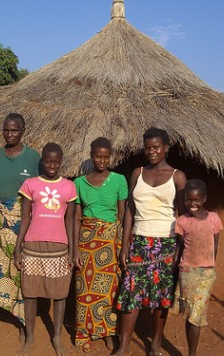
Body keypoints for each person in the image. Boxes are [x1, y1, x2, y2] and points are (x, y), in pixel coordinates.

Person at [113, 127, 187, 356]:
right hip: (139, 241)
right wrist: (125, 245)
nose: (152, 151)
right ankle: (124, 346)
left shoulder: (178, 176)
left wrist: (179, 251)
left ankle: (155, 343)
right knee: (131, 292)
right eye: (148, 148)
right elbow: (129, 212)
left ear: (166, 148)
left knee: (161, 295)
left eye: (156, 147)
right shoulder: (137, 173)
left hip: (166, 243)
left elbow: (183, 216)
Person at [14, 143, 77, 356]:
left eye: (56, 162)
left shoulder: (69, 186)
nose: (52, 165)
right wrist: (18, 247)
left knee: (59, 293)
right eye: (48, 161)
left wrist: (71, 250)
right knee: (30, 292)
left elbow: (70, 220)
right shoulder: (30, 184)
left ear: (61, 162)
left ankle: (57, 336)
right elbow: (25, 218)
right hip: (33, 245)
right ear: (43, 161)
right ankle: (30, 337)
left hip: (59, 247)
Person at [0, 113, 40, 332]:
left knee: (21, 270)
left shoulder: (33, 158)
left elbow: (39, 195)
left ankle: (23, 322)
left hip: (23, 223)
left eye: (14, 130)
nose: (9, 134)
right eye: (6, 130)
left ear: (23, 130)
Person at [73, 137, 128, 352]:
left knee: (109, 289)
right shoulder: (79, 183)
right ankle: (83, 331)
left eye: (106, 157)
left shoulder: (119, 180)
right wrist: (76, 247)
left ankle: (107, 331)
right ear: (91, 154)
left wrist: (119, 240)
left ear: (110, 156)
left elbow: (122, 212)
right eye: (98, 156)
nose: (102, 160)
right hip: (86, 241)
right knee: (83, 288)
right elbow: (77, 216)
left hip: (109, 240)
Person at [171, 179, 223, 356]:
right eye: (189, 200)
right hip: (187, 271)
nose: (192, 204)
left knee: (197, 313)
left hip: (206, 273)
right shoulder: (182, 221)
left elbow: (215, 244)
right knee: (191, 312)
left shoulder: (214, 218)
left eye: (196, 200)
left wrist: (210, 265)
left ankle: (192, 353)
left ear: (204, 199)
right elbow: (179, 247)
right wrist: (174, 267)